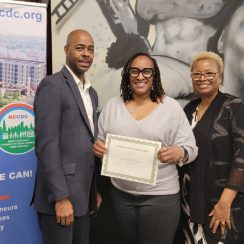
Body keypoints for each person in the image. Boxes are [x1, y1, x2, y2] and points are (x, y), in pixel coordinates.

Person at [93, 52, 198, 244]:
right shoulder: (112, 106)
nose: (140, 76)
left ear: (154, 75)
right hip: (121, 195)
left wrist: (180, 152)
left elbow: (191, 148)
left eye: (147, 71)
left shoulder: (171, 107)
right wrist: (98, 148)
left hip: (160, 197)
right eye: (135, 71)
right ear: (127, 75)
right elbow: (100, 142)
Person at [30, 29, 102, 244]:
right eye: (80, 48)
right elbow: (46, 147)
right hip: (60, 201)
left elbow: (86, 144)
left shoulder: (92, 93)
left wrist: (93, 192)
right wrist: (60, 198)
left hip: (83, 198)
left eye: (90, 49)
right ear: (66, 50)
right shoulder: (53, 85)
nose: (86, 54)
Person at [179, 51, 244, 244]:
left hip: (224, 203)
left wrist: (224, 203)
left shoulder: (235, 106)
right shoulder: (188, 109)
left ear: (220, 76)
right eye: (197, 74)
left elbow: (242, 157)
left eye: (209, 73)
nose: (202, 78)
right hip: (189, 201)